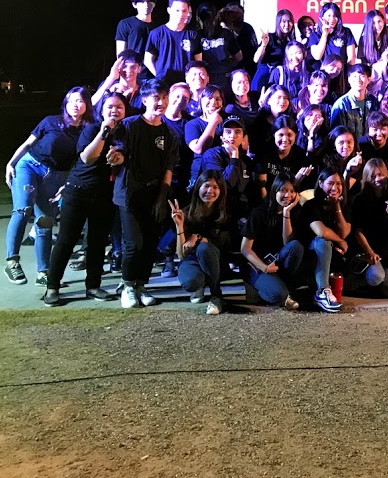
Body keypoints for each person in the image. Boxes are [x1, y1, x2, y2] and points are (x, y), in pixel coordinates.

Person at [42, 93, 127, 305]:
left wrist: (121, 157)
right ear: (101, 110)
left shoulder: (126, 133)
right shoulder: (92, 129)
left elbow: (127, 158)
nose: (114, 111)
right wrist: (104, 132)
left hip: (105, 195)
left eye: (119, 107)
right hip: (78, 191)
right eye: (110, 107)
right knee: (66, 240)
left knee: (97, 242)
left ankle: (93, 286)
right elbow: (88, 158)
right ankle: (52, 287)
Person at [4, 87, 93, 286]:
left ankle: (43, 272)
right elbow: (28, 144)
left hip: (55, 175)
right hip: (29, 166)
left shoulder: (87, 131)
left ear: (87, 105)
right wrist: (11, 163)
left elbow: (81, 162)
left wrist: (67, 183)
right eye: (72, 101)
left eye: (80, 101)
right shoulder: (51, 121)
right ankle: (12, 261)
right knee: (23, 209)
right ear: (65, 103)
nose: (75, 105)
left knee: (45, 221)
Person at [112, 79, 180, 308]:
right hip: (128, 193)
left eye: (164, 97)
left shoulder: (169, 133)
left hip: (154, 194)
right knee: (134, 244)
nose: (161, 102)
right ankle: (127, 286)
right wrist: (117, 157)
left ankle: (141, 285)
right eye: (155, 98)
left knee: (150, 244)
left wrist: (162, 196)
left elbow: (168, 167)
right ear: (144, 100)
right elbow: (119, 151)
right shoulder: (130, 125)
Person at [240, 174, 304, 310]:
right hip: (257, 265)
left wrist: (286, 213)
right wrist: (264, 268)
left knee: (296, 246)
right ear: (275, 190)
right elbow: (245, 249)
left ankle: (283, 288)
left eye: (292, 191)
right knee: (278, 294)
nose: (288, 195)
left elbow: (288, 244)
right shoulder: (259, 213)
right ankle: (268, 289)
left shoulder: (294, 212)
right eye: (283, 190)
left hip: (278, 263)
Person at [171, 170, 229, 315]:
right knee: (191, 282)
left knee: (204, 248)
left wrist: (197, 238)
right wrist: (179, 226)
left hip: (215, 260)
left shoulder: (225, 213)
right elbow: (181, 255)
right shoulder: (187, 212)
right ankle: (199, 285)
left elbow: (223, 242)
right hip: (192, 260)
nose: (210, 191)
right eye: (206, 186)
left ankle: (216, 295)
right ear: (198, 188)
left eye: (215, 187)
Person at [348, 159, 388, 297]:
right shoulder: (360, 199)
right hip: (367, 251)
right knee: (376, 276)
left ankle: (375, 284)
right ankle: (359, 280)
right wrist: (370, 252)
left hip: (386, 253)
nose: (378, 179)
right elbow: (357, 231)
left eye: (380, 174)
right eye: (373, 176)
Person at [304, 169, 354, 313]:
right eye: (330, 183)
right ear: (320, 184)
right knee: (323, 242)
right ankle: (322, 291)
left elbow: (344, 232)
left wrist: (336, 207)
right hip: (311, 252)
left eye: (339, 184)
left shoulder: (344, 206)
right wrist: (340, 241)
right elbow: (321, 232)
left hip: (334, 256)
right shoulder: (311, 205)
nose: (335, 187)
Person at [144, 0, 202, 85]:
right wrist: (159, 77)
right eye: (177, 10)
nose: (181, 14)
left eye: (184, 11)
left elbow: (198, 62)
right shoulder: (157, 33)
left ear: (188, 11)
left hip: (186, 84)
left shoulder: (193, 35)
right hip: (163, 85)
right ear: (169, 10)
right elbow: (148, 60)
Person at [330, 63, 378, 140]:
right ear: (349, 80)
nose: (358, 80)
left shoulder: (373, 101)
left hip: (368, 145)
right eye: (355, 76)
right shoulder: (341, 104)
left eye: (362, 76)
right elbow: (336, 135)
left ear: (369, 80)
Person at [201, 6, 244, 90]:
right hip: (221, 75)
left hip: (208, 75)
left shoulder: (197, 35)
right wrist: (228, 65)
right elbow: (239, 57)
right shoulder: (226, 33)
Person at [115, 0, 157, 66]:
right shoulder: (126, 24)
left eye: (149, 1)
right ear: (134, 4)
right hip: (133, 71)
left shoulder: (158, 28)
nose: (146, 5)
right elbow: (121, 54)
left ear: (154, 4)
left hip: (152, 71)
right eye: (142, 2)